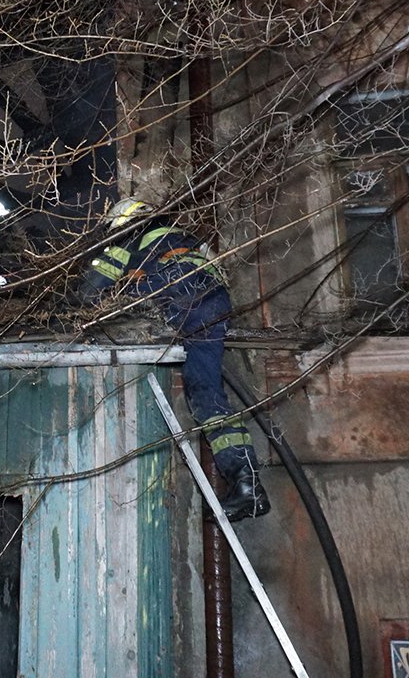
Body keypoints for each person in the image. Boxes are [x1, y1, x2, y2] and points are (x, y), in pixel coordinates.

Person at [78, 197, 270, 522]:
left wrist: (70, 307)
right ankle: (247, 484)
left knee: (127, 304)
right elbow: (218, 269)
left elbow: (93, 289)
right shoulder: (184, 236)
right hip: (213, 303)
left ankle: (246, 484)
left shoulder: (130, 238)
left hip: (178, 291)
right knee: (207, 394)